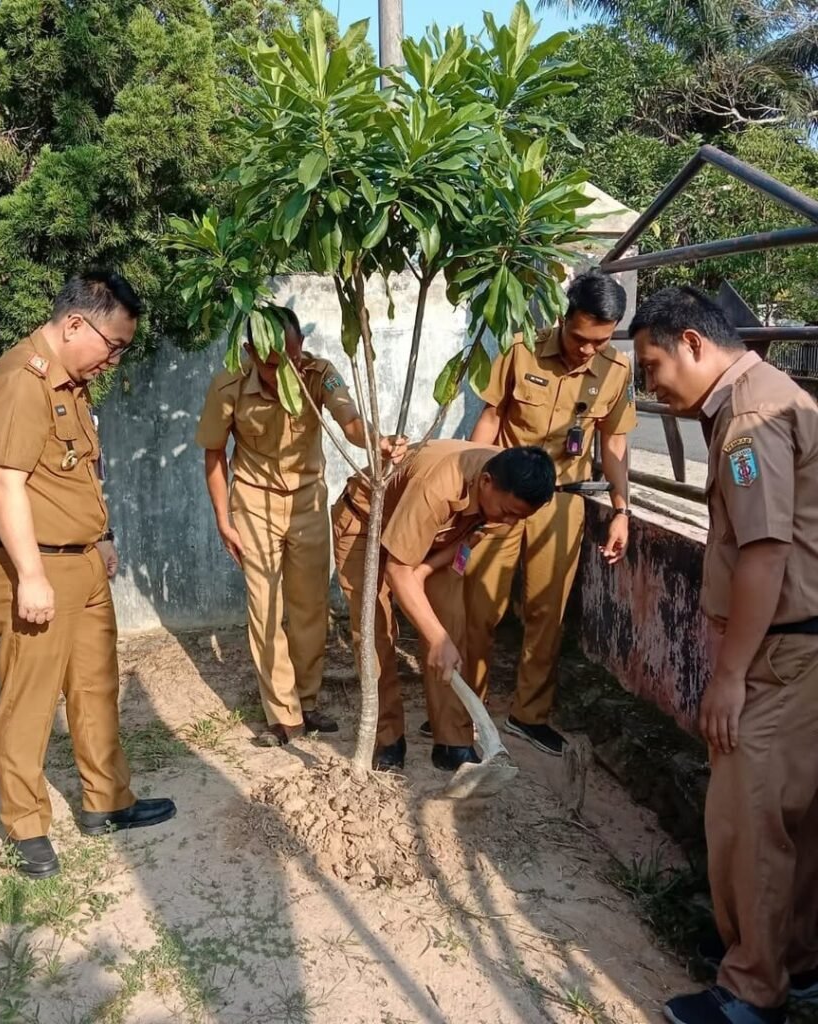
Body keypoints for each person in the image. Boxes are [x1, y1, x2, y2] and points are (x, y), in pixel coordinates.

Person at [632, 286, 818, 1024]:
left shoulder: (748, 419)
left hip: (781, 654)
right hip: (799, 645)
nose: (651, 386)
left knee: (750, 819)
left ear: (693, 342)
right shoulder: (771, 394)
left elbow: (765, 552)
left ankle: (751, 991)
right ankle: (792, 961)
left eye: (652, 366)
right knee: (794, 818)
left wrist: (731, 675)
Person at [0, 271, 175, 879]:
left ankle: (106, 801)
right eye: (112, 345)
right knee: (30, 702)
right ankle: (25, 825)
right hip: (37, 567)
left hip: (82, 561)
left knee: (95, 687)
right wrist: (30, 576)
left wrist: (103, 536)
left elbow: (79, 469)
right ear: (73, 324)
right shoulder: (21, 380)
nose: (114, 360)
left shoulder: (71, 382)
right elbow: (5, 484)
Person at [195, 306, 406, 747]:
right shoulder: (229, 386)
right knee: (265, 607)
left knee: (310, 606)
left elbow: (349, 419)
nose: (284, 373)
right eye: (272, 364)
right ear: (251, 351)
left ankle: (306, 701)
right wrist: (223, 520)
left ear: (301, 347)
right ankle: (283, 715)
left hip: (307, 501)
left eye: (291, 358)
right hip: (254, 503)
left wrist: (378, 441)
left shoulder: (319, 374)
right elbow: (214, 454)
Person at [460, 269, 635, 757]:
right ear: (564, 318)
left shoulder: (616, 370)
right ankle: (466, 709)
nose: (587, 350)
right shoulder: (521, 349)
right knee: (479, 606)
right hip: (502, 498)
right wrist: (473, 491)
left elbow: (614, 442)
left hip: (561, 501)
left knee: (546, 611)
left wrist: (622, 509)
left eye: (600, 341)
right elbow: (491, 417)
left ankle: (529, 715)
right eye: (580, 338)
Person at [332, 440, 556, 771]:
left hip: (438, 537)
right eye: (508, 513)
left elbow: (467, 538)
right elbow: (397, 571)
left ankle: (453, 743)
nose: (509, 523)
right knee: (376, 633)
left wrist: (424, 572)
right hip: (367, 523)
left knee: (451, 623)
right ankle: (388, 738)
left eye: (519, 518)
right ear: (486, 482)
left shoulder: (508, 487)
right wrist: (436, 638)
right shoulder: (437, 487)